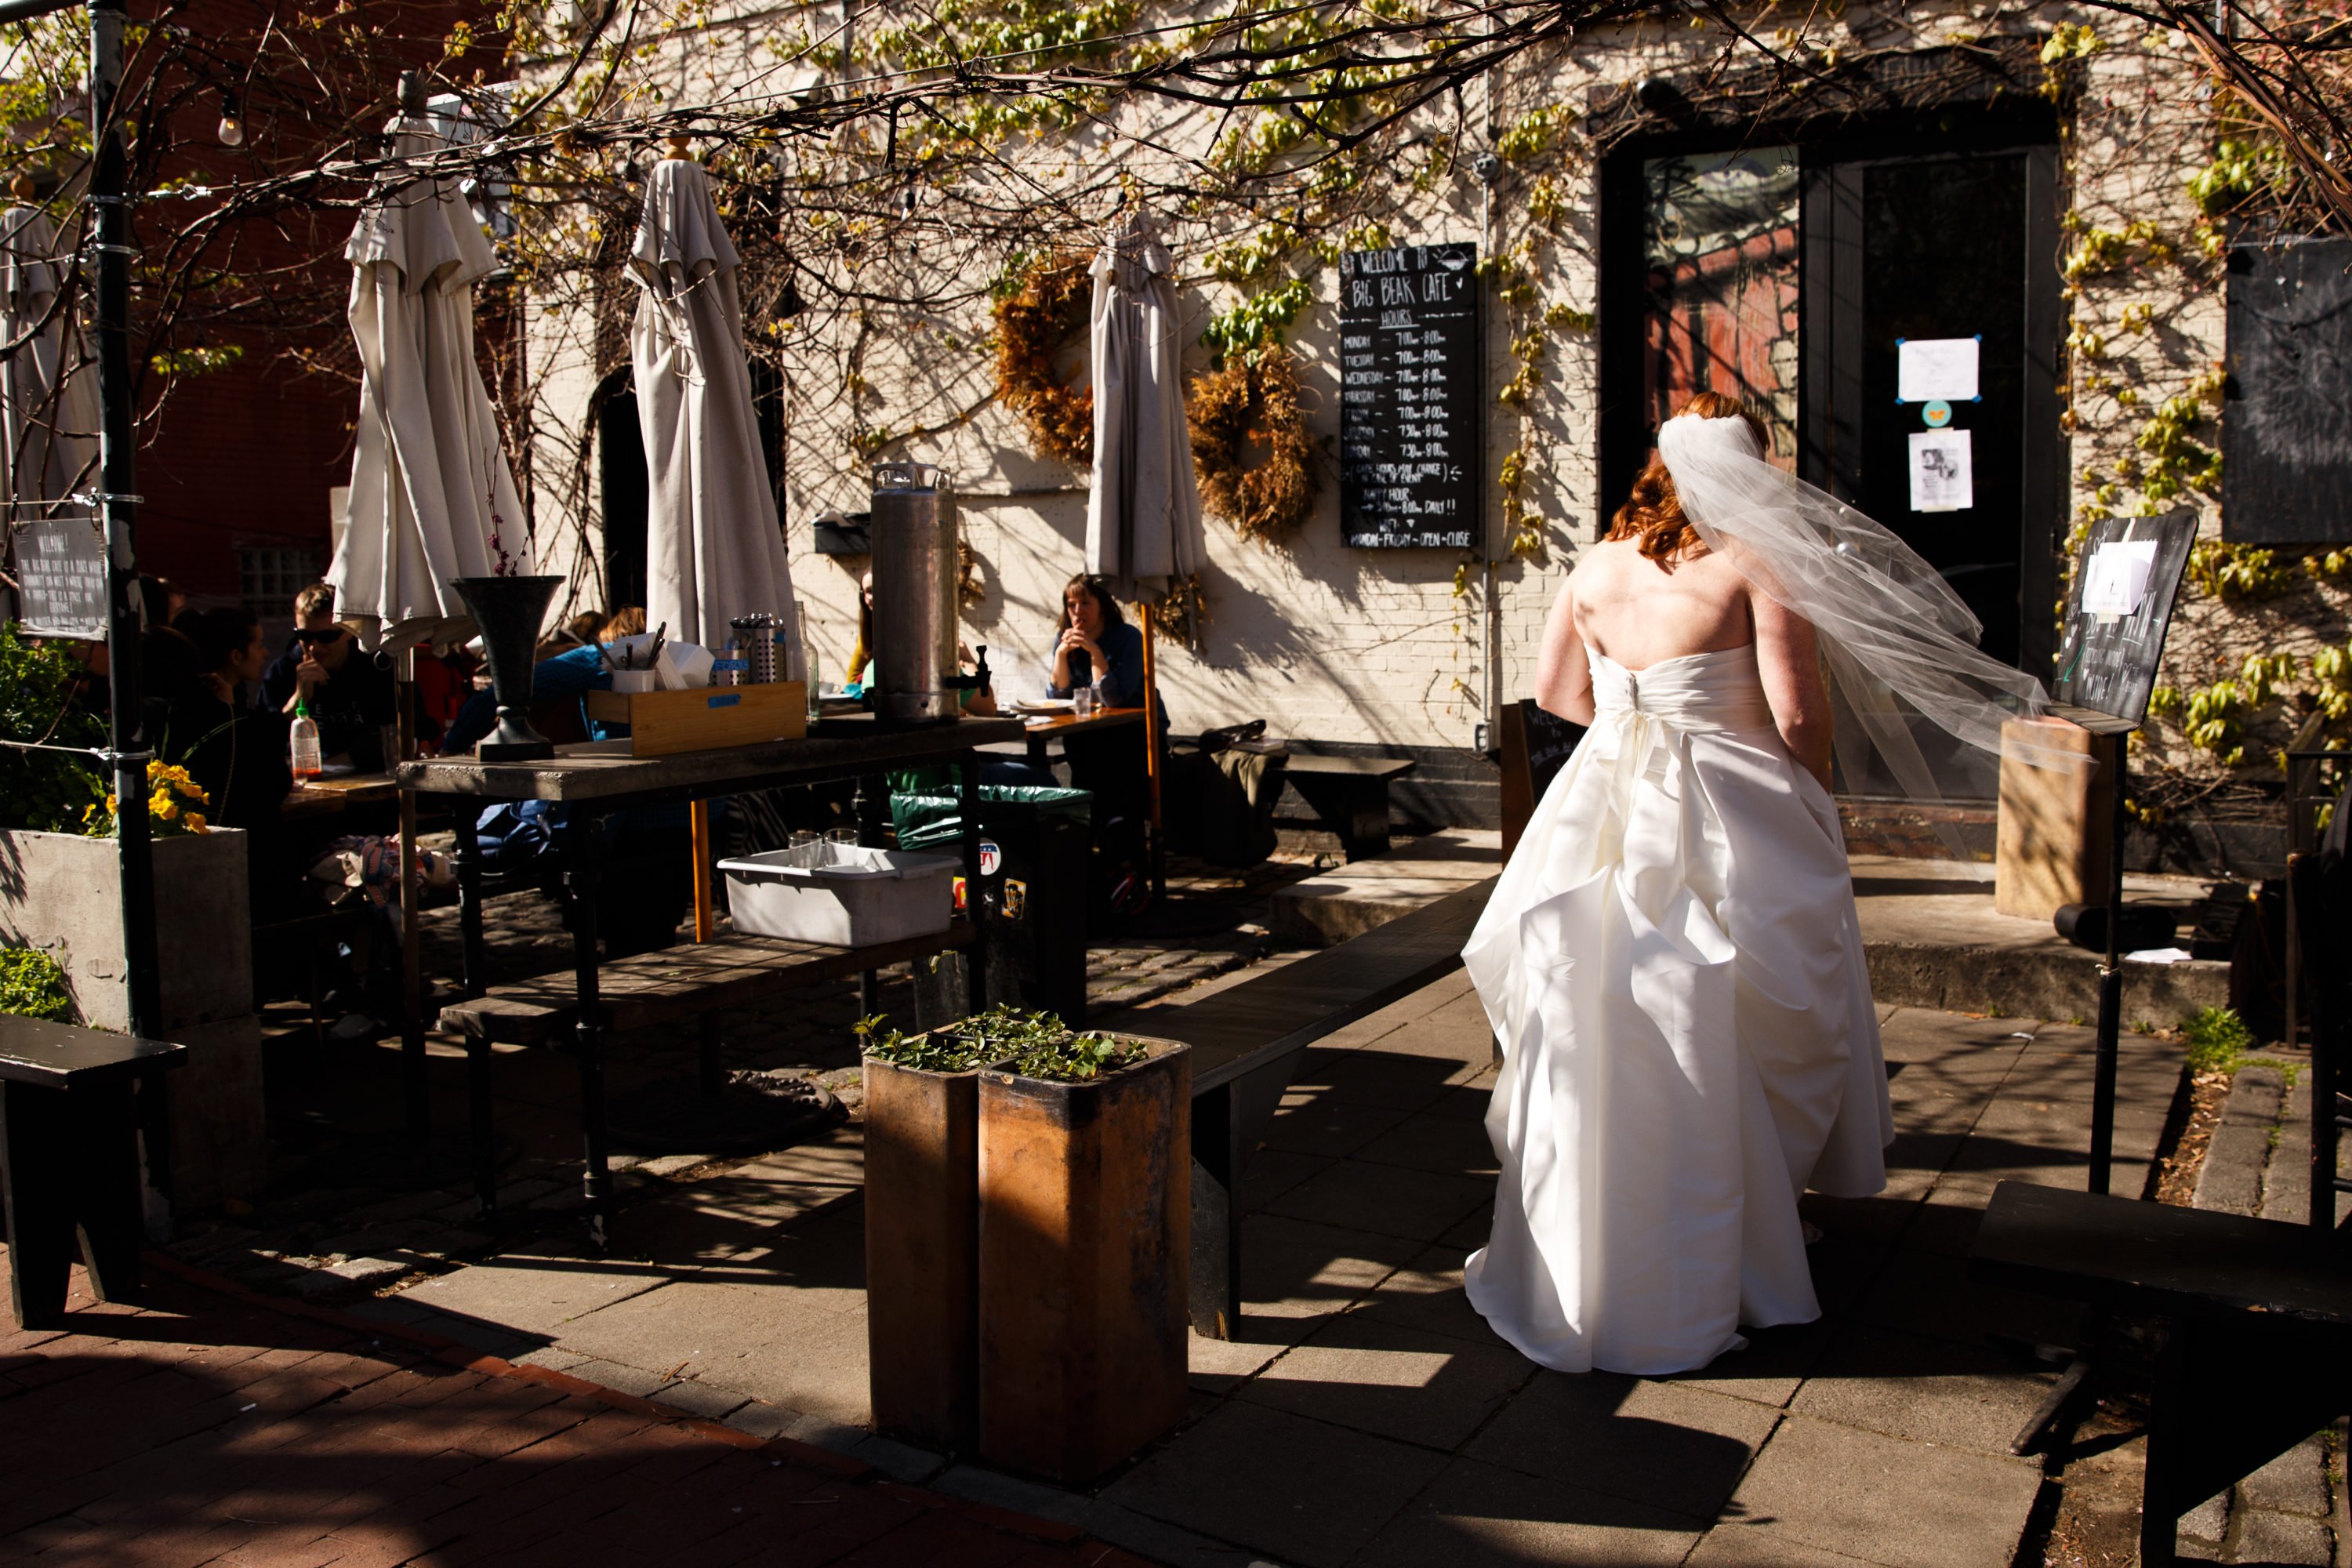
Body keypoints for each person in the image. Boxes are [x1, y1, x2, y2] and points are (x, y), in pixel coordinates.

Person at [1462, 392, 1897, 1377]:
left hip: (1607, 811)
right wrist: (1812, 806)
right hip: (1731, 809)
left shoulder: (1597, 566)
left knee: (1603, 1019)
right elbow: (1797, 717)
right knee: (1742, 1020)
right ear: (1747, 465)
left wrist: (1634, 708)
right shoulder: (1757, 563)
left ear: (1657, 463)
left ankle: (1602, 1240)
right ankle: (1739, 1238)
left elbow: (1560, 697)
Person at [259, 581, 396, 769]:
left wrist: (337, 762)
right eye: (305, 636)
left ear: (349, 631)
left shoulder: (375, 667)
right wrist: (298, 699)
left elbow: (399, 732)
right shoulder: (283, 672)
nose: (314, 647)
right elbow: (263, 742)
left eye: (326, 637)